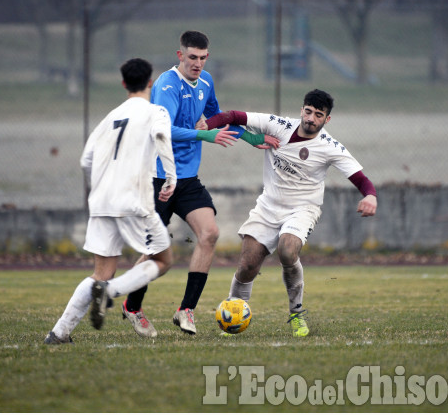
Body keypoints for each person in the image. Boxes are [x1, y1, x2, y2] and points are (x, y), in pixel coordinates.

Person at [122, 30, 279, 337]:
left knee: (209, 234)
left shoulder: (205, 82)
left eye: (203, 58)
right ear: (179, 55)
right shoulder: (167, 85)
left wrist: (251, 138)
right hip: (158, 177)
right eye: (191, 57)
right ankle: (132, 305)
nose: (197, 64)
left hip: (188, 179)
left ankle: (186, 310)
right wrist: (204, 135)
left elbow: (215, 118)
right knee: (156, 249)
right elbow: (164, 131)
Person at [205, 89, 378, 337]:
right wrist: (202, 128)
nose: (311, 119)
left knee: (287, 249)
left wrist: (370, 195)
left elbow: (361, 179)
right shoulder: (279, 125)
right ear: (301, 110)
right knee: (247, 265)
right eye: (308, 112)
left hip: (303, 209)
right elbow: (231, 116)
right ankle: (233, 313)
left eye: (318, 115)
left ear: (326, 119)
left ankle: (296, 314)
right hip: (268, 207)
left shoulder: (330, 147)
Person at [43, 58, 177, 344]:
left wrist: (101, 189)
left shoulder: (110, 117)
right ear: (150, 83)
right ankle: (111, 292)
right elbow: (163, 136)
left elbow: (86, 160)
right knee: (163, 260)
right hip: (134, 200)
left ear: (123, 84)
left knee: (101, 272)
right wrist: (171, 178)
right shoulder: (156, 111)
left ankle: (59, 333)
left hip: (102, 202)